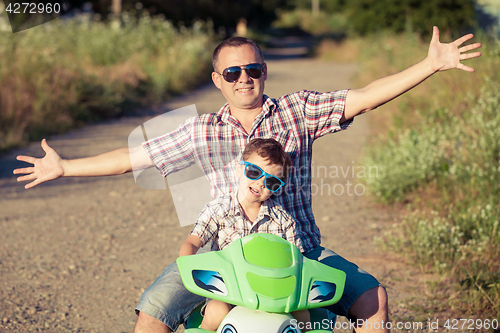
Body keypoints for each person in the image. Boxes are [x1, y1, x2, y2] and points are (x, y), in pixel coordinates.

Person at [13, 26, 481, 333]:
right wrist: (66, 167)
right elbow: (134, 157)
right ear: (218, 79)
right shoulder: (202, 130)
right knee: (152, 312)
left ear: (263, 72)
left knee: (373, 299)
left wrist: (431, 65)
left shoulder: (296, 112)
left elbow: (363, 98)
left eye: (252, 69)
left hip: (300, 253)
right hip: (222, 257)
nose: (244, 79)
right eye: (232, 72)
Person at [179, 138, 310, 331]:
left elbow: (298, 260)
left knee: (303, 315)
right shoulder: (218, 210)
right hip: (228, 290)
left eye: (271, 181)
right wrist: (187, 263)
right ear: (240, 169)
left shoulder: (283, 220)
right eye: (254, 172)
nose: (260, 183)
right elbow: (192, 241)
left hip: (272, 291)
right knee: (216, 312)